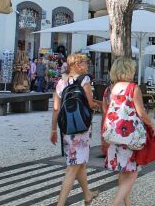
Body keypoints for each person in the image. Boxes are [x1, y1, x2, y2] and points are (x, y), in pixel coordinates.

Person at [103, 57, 154, 206]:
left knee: (122, 170)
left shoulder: (109, 89)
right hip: (129, 135)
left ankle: (127, 203)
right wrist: (151, 125)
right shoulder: (133, 88)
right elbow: (141, 112)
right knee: (132, 173)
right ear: (128, 70)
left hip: (113, 134)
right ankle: (114, 204)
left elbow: (106, 112)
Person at [50, 53, 99, 206]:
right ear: (77, 64)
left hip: (67, 129)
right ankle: (60, 203)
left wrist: (53, 130)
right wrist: (101, 104)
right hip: (82, 129)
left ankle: (87, 195)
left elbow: (56, 109)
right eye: (86, 62)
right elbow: (90, 104)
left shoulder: (60, 83)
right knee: (73, 167)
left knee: (80, 163)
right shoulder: (84, 80)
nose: (88, 65)